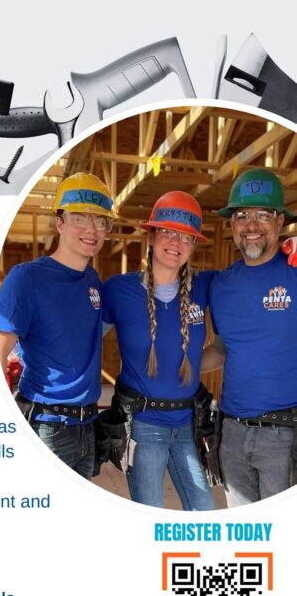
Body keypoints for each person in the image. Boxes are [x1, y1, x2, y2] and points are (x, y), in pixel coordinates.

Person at [0, 172, 115, 478]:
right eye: (79, 218)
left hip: (87, 426)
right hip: (47, 428)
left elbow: (82, 332)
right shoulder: (27, 278)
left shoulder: (92, 280)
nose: (91, 229)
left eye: (100, 221)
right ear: (60, 222)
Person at [101, 192, 216, 510]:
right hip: (143, 426)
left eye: (186, 237)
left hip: (187, 426)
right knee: (149, 513)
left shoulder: (205, 287)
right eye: (167, 231)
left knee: (205, 510)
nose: (176, 242)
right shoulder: (118, 290)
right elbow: (81, 342)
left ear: (193, 245)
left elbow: (251, 280)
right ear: (151, 235)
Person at [207, 168, 297, 505]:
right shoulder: (222, 284)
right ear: (231, 224)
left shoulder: (294, 269)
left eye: (263, 215)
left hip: (286, 436)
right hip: (230, 434)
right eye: (243, 215)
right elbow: (223, 350)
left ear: (279, 222)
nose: (252, 225)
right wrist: (174, 369)